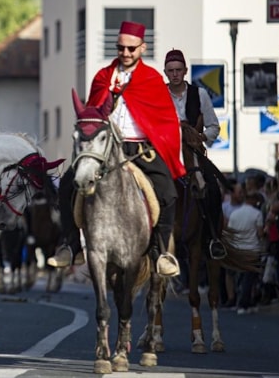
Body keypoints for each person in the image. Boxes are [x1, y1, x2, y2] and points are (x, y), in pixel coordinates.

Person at [50, 21, 184, 277]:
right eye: (121, 48)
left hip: (139, 148)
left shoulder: (152, 79)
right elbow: (91, 115)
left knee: (168, 191)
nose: (125, 53)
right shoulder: (102, 77)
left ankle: (161, 253)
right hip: (105, 147)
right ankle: (71, 246)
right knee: (67, 184)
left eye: (131, 48)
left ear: (142, 48)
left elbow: (165, 120)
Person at [163, 48, 225, 259]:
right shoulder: (159, 95)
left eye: (178, 70)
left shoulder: (200, 94)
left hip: (193, 153)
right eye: (171, 70)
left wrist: (200, 138)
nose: (175, 74)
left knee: (212, 188)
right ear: (165, 72)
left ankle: (214, 238)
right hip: (168, 154)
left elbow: (214, 126)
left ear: (185, 71)